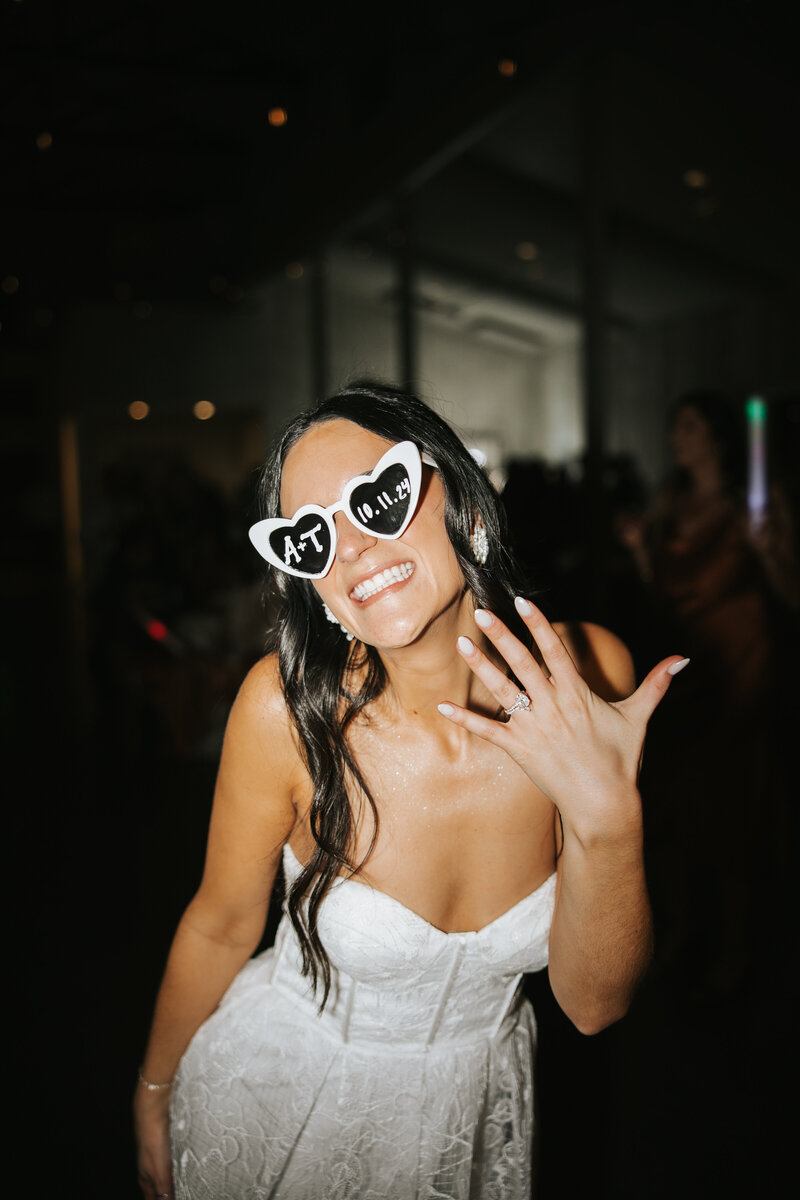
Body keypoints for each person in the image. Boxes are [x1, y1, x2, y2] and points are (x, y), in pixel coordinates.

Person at [133, 384, 688, 1200]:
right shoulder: (286, 712)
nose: (350, 547)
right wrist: (153, 1095)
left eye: (377, 497)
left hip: (472, 1126)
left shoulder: (588, 676)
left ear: (463, 504)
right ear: (310, 586)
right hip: (286, 1110)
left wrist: (608, 821)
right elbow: (220, 924)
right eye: (310, 538)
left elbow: (594, 1005)